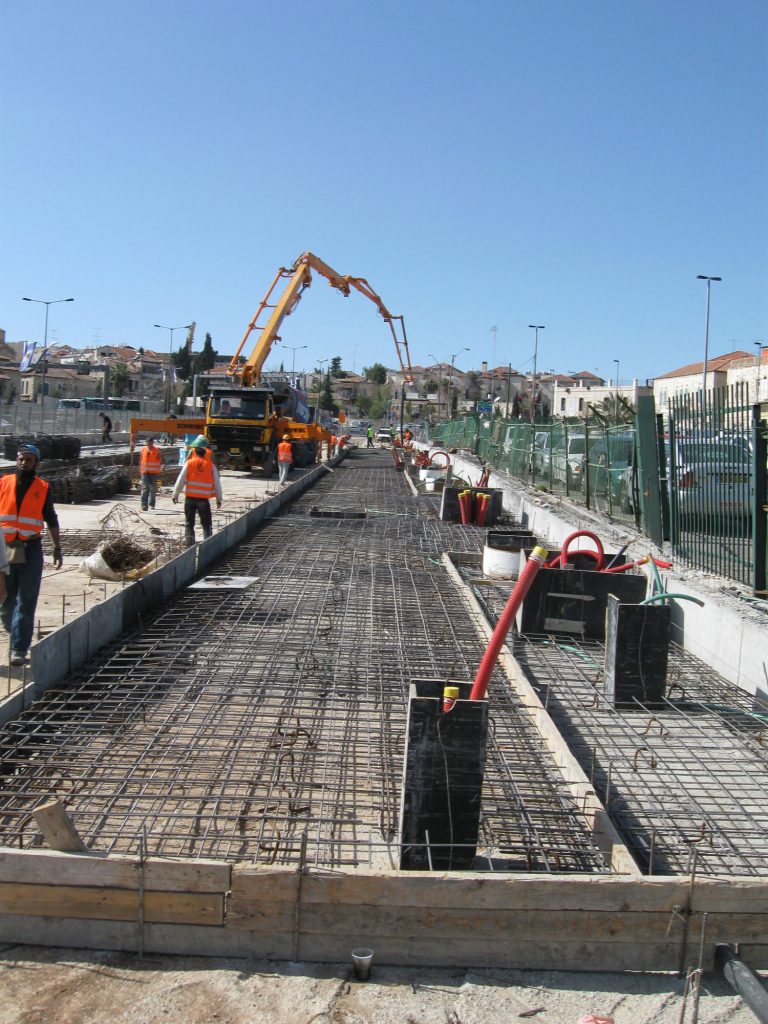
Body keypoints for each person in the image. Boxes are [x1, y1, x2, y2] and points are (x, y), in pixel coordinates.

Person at [0, 444, 63, 665]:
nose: (23, 463)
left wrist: (57, 547)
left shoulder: (43, 487)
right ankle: (12, 628)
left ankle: (19, 648)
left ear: (37, 463)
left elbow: (51, 518)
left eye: (28, 460)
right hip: (4, 549)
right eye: (21, 459)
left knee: (26, 600)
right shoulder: (3, 482)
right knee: (6, 601)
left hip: (30, 549)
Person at [171, 436, 222, 545]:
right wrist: (219, 498)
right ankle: (208, 545)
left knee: (189, 524)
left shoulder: (189, 463)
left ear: (195, 451)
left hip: (190, 499)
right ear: (205, 451)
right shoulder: (210, 465)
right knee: (206, 524)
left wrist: (175, 494)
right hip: (203, 500)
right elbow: (217, 482)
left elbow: (181, 479)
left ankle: (189, 547)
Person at [139, 437, 164, 511]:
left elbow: (162, 460)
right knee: (145, 489)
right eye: (148, 443)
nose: (149, 444)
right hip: (145, 472)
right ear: (146, 443)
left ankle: (151, 504)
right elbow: (140, 460)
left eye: (151, 443)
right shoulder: (143, 450)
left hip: (154, 473)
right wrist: (140, 469)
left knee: (153, 489)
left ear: (153, 443)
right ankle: (144, 505)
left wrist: (162, 466)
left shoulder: (157, 450)